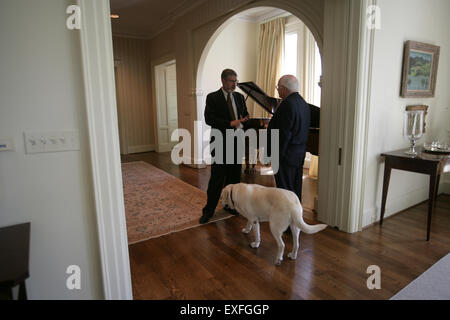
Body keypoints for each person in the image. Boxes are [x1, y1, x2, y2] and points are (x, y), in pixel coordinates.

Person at [199, 69, 249, 224]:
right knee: (217, 179)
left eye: (236, 81)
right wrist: (230, 123)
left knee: (234, 178)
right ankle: (208, 211)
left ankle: (231, 206)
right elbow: (209, 119)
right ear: (223, 80)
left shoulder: (240, 97)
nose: (235, 84)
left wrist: (243, 120)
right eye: (231, 81)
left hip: (237, 142)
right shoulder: (212, 97)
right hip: (220, 142)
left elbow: (245, 114)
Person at [267, 75, 310, 203]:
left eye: (278, 87)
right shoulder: (303, 104)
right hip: (298, 154)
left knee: (284, 192)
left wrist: (275, 157)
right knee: (295, 190)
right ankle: (295, 219)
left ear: (284, 88)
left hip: (285, 156)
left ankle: (286, 222)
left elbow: (283, 135)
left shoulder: (286, 104)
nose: (277, 90)